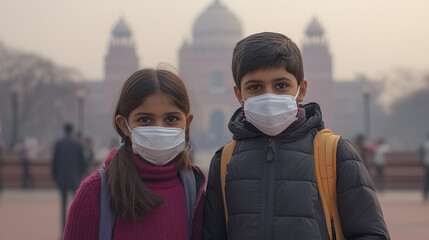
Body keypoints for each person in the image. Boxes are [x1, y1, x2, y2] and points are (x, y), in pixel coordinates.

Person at [203, 32, 390, 239]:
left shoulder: (335, 153)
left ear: (301, 90)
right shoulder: (224, 161)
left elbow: (370, 233)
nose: (269, 96)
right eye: (255, 87)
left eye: (281, 86)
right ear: (239, 95)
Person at [63, 68, 206, 240]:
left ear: (187, 122)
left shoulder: (196, 195)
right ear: (123, 125)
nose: (159, 129)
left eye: (171, 119)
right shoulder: (94, 193)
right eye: (145, 120)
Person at [52, 123, 85, 234]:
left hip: (62, 178)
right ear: (72, 131)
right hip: (74, 178)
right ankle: (75, 229)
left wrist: (56, 177)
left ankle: (63, 230)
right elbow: (82, 163)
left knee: (63, 205)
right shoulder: (77, 144)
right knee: (76, 205)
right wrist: (80, 175)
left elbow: (54, 162)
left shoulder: (58, 144)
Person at [421, 134, 429, 202]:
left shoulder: (425, 144)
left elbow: (420, 152)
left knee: (426, 180)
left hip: (426, 163)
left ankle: (425, 195)